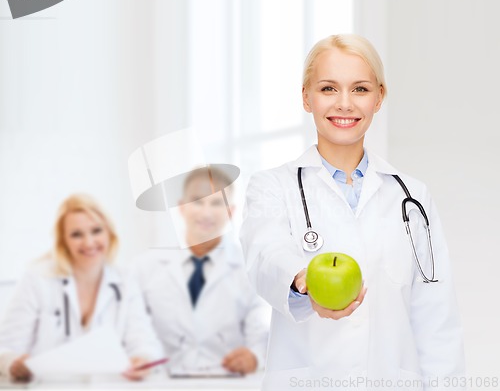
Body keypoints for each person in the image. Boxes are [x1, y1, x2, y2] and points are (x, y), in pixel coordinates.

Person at [239, 34, 465, 390]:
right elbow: (265, 254)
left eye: (360, 89)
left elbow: (436, 319)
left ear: (379, 97)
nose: (344, 104)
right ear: (306, 98)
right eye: (328, 89)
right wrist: (302, 281)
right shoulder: (272, 187)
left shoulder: (412, 197)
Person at [0, 194, 163, 382]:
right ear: (63, 241)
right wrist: (13, 364)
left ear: (109, 233)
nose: (89, 242)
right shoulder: (37, 279)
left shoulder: (125, 280)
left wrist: (142, 359)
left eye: (96, 231)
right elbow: (5, 347)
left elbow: (144, 341)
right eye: (76, 234)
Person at [134, 166, 269, 376]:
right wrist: (141, 357)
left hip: (225, 384)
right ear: (181, 207)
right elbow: (135, 330)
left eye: (216, 203)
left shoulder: (249, 267)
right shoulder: (145, 268)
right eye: (197, 201)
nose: (206, 212)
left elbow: (261, 335)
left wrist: (254, 357)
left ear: (230, 211)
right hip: (162, 383)